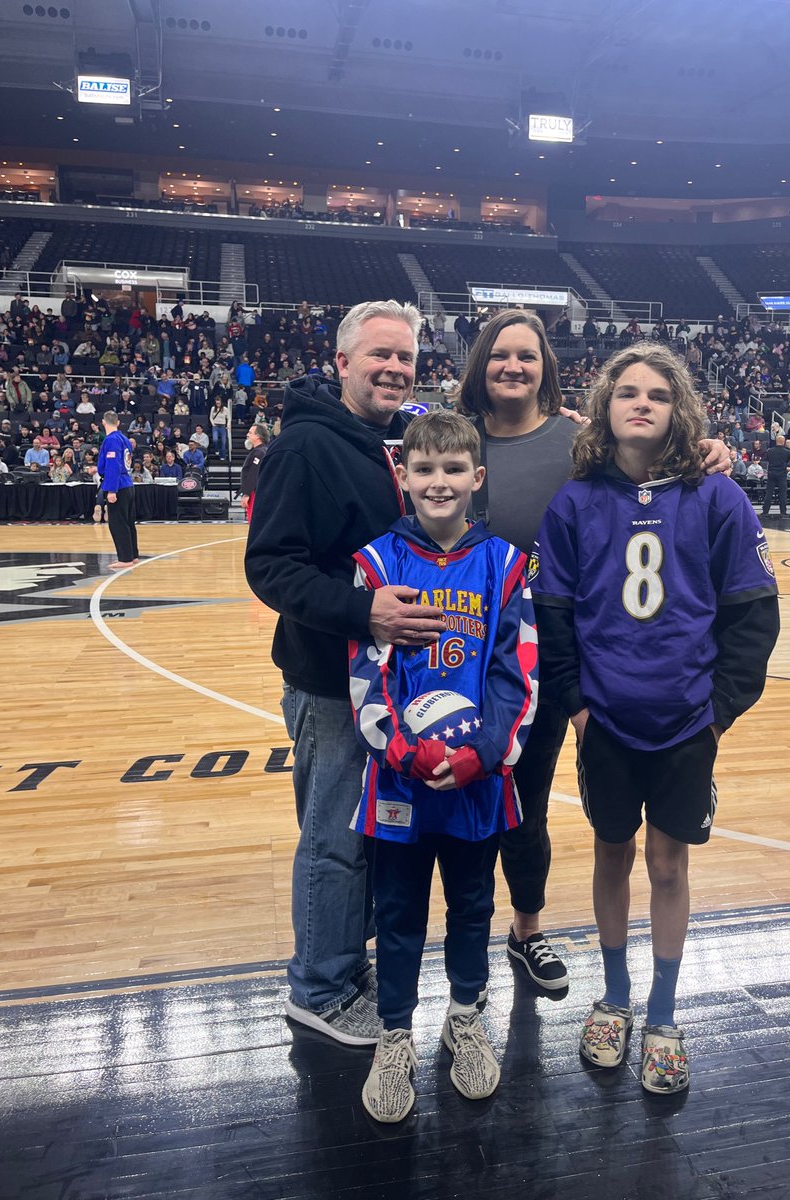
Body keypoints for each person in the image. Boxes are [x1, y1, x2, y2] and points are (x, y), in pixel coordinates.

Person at [529, 342, 780, 1094]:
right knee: (612, 854)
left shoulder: (718, 497)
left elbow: (752, 617)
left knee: (669, 865)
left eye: (659, 395)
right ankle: (613, 998)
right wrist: (574, 706)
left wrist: (717, 715)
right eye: (627, 391)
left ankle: (664, 1012)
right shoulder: (574, 501)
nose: (642, 402)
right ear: (604, 405)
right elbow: (553, 613)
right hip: (604, 723)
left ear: (681, 412)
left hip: (684, 727)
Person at [455, 310, 732, 990]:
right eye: (500, 354)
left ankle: (527, 931)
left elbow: (656, 458)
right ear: (479, 364)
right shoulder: (457, 439)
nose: (513, 366)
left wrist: (710, 450)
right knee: (455, 803)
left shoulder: (577, 440)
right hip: (459, 651)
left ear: (547, 368)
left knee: (527, 804)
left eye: (527, 354)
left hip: (545, 655)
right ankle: (461, 950)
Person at [245, 300, 446, 1045]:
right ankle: (319, 989)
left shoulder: (371, 441)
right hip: (331, 683)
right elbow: (270, 567)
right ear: (342, 364)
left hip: (374, 682)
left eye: (406, 360)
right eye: (380, 356)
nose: (394, 369)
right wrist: (365, 613)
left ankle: (339, 964)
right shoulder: (306, 446)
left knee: (358, 836)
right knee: (333, 838)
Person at [352, 411, 537, 1122]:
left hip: (476, 781)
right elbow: (366, 673)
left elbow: (517, 673)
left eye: (453, 469)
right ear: (403, 477)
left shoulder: (505, 564)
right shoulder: (375, 561)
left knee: (472, 906)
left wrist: (480, 752)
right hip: (399, 779)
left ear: (476, 479)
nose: (439, 482)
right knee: (396, 914)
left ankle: (465, 1015)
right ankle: (394, 1034)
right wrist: (403, 748)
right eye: (424, 469)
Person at [96, 410, 139, 570]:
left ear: (103, 422)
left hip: (118, 485)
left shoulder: (111, 440)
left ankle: (125, 558)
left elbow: (114, 465)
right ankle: (133, 555)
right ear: (118, 423)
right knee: (128, 523)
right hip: (127, 483)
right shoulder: (124, 439)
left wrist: (111, 490)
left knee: (118, 524)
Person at [239, 423, 269, 522]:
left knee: (254, 521)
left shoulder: (260, 452)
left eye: (250, 433)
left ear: (258, 436)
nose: (247, 435)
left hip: (255, 492)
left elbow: (253, 473)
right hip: (258, 491)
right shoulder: (262, 450)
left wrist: (246, 494)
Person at [761, 434, 790, 518]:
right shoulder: (787, 452)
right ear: (783, 442)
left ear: (776, 441)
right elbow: (787, 461)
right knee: (782, 493)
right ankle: (783, 512)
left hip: (771, 473)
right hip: (782, 473)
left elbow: (767, 459)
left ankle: (765, 511)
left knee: (769, 493)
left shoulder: (770, 451)